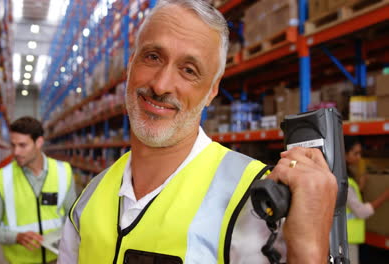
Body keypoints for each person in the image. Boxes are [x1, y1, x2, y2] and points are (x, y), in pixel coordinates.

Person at [58, 1, 337, 263]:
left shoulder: (255, 201)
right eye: (153, 57)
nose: (161, 85)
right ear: (130, 65)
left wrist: (308, 252)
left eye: (189, 70)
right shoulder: (90, 198)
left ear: (211, 92)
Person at [0, 116, 77, 264]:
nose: (16, 152)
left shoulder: (63, 171)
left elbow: (73, 218)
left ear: (39, 142)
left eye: (22, 145)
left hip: (56, 258)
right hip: (20, 260)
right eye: (13, 145)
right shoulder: (2, 178)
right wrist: (16, 237)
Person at [344, 136, 389, 264]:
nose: (359, 157)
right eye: (355, 153)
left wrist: (360, 187)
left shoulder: (348, 179)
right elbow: (361, 211)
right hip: (347, 241)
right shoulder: (345, 182)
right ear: (345, 154)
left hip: (347, 239)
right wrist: (385, 196)